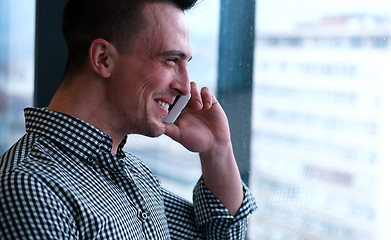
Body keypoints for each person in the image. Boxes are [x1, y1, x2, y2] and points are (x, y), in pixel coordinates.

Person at [0, 0, 257, 239]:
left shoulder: (134, 173)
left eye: (186, 62)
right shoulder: (30, 187)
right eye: (170, 60)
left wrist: (217, 150)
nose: (185, 87)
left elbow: (221, 235)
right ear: (104, 59)